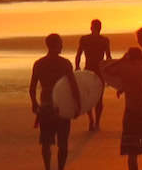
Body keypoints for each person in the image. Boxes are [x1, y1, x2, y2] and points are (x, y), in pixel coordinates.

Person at [29, 33, 80, 170]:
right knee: (63, 143)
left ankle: (47, 168)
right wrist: (78, 105)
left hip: (45, 107)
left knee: (46, 143)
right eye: (61, 43)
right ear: (56, 45)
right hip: (62, 107)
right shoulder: (65, 63)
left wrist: (34, 103)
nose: (62, 46)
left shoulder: (39, 64)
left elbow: (32, 87)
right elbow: (73, 86)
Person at [75, 18, 113, 131]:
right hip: (99, 70)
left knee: (88, 97)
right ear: (100, 28)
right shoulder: (104, 40)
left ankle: (91, 120)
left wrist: (77, 67)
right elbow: (108, 57)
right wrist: (109, 72)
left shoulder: (85, 39)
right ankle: (97, 122)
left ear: (91, 27)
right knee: (99, 98)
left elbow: (78, 55)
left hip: (88, 69)